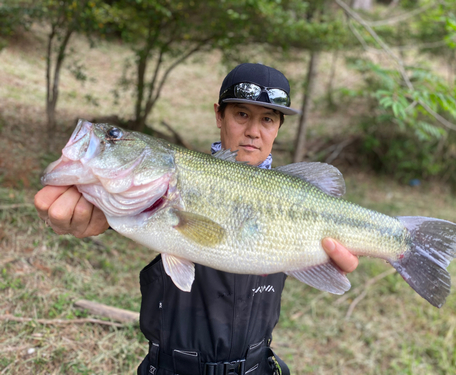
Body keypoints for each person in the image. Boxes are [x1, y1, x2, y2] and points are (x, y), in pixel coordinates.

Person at [34, 63, 359, 375]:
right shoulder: (157, 193)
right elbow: (131, 211)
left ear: (278, 128)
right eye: (242, 114)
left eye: (268, 120)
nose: (253, 132)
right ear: (219, 115)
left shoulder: (298, 197)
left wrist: (333, 255)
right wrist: (98, 212)